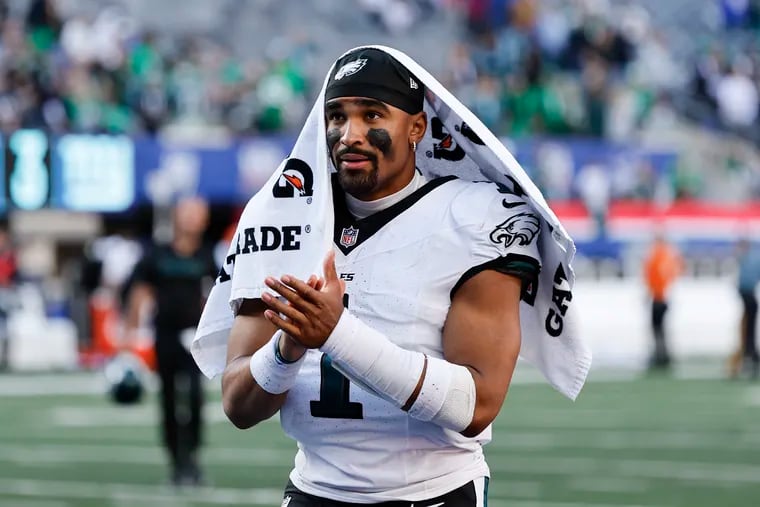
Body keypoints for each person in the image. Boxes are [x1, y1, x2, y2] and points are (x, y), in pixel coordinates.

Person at [217, 48, 548, 506]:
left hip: (431, 493)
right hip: (314, 491)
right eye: (336, 116)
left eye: (372, 113)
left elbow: (475, 405)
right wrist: (287, 348)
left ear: (417, 126)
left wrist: (336, 334)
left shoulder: (475, 216)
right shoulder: (281, 215)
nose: (349, 135)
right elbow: (237, 404)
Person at [124, 196, 217, 486]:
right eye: (188, 213)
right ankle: (176, 461)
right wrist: (130, 337)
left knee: (195, 398)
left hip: (194, 338)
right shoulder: (158, 253)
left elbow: (217, 294)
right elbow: (140, 291)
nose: (192, 220)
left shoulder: (206, 254)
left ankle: (193, 458)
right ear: (177, 216)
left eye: (198, 214)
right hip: (164, 335)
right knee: (167, 399)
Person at [643, 234, 682, 369]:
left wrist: (652, 292)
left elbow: (654, 277)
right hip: (662, 296)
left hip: (658, 297)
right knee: (660, 328)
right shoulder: (667, 256)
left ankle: (661, 355)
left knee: (657, 328)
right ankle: (663, 354)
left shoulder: (658, 257)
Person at [735, 239, 760, 378]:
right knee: (749, 329)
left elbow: (745, 282)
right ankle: (752, 355)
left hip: (748, 297)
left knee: (748, 330)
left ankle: (749, 355)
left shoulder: (747, 260)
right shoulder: (750, 259)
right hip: (749, 298)